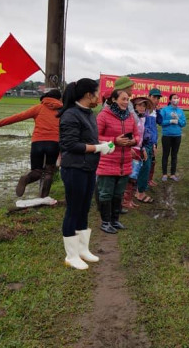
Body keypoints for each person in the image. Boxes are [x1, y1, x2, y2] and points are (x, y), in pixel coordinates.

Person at [58, 78, 114, 270]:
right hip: (74, 169)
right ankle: (71, 255)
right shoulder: (70, 115)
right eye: (97, 93)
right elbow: (70, 145)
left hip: (89, 168)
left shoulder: (88, 114)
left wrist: (104, 145)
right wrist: (98, 148)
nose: (99, 96)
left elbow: (89, 139)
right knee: (73, 210)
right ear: (88, 95)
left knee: (84, 209)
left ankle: (83, 249)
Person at [0, 89, 62, 198]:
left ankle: (25, 178)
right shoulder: (62, 110)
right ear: (59, 99)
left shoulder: (38, 108)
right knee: (49, 172)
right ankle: (43, 198)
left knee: (36, 171)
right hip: (54, 143)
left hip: (37, 143)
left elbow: (17, 117)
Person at [96, 90, 139, 234]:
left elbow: (137, 135)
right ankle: (105, 222)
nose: (126, 102)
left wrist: (134, 141)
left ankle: (115, 220)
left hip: (125, 161)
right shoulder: (103, 115)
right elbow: (95, 137)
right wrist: (115, 140)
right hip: (107, 161)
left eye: (128, 99)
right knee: (106, 193)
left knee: (118, 194)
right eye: (123, 99)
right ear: (114, 99)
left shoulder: (130, 117)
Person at [122, 96, 152, 210]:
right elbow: (127, 134)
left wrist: (143, 148)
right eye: (139, 105)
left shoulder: (143, 118)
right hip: (131, 148)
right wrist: (130, 148)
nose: (142, 107)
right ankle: (125, 201)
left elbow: (142, 136)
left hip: (139, 148)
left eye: (144, 105)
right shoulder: (130, 118)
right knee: (129, 175)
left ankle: (128, 199)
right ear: (134, 106)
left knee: (134, 175)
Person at [159, 93, 187, 182]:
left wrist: (177, 119)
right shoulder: (164, 110)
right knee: (165, 155)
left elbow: (183, 123)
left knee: (174, 155)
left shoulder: (180, 111)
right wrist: (170, 121)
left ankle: (173, 174)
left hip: (177, 136)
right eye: (174, 98)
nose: (176, 99)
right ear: (170, 100)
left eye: (177, 98)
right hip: (167, 135)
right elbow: (160, 122)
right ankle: (164, 174)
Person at [147, 88, 163, 187]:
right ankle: (140, 184)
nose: (156, 100)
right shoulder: (145, 109)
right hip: (147, 141)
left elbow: (160, 122)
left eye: (158, 98)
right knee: (146, 162)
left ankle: (149, 179)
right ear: (149, 97)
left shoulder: (155, 111)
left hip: (154, 140)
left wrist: (158, 111)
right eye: (154, 97)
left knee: (152, 160)